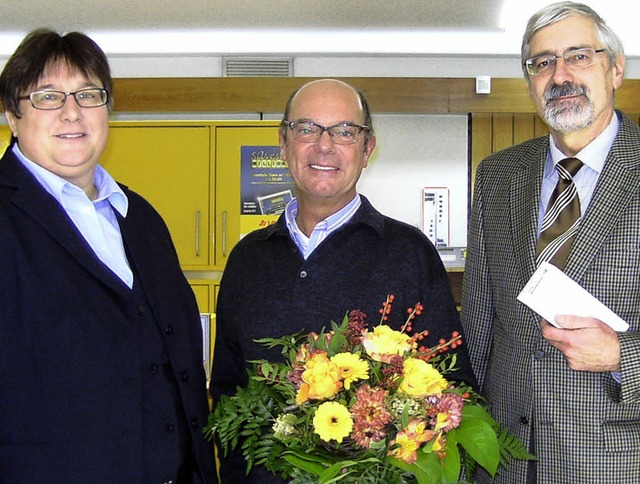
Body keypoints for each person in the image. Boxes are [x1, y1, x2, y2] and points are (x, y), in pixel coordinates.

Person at [211, 78, 476, 482]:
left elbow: (451, 391)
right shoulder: (247, 259)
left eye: (344, 132)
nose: (324, 145)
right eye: (306, 129)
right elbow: (228, 396)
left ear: (367, 148)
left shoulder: (408, 253)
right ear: (283, 143)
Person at [0, 29, 216, 483]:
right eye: (48, 96)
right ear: (11, 114)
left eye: (89, 95)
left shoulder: (141, 218)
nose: (72, 111)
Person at [461, 2, 640, 482]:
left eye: (579, 56)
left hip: (615, 458)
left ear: (615, 68)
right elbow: (479, 324)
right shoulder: (497, 176)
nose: (560, 75)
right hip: (505, 457)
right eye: (542, 63)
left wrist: (625, 356)